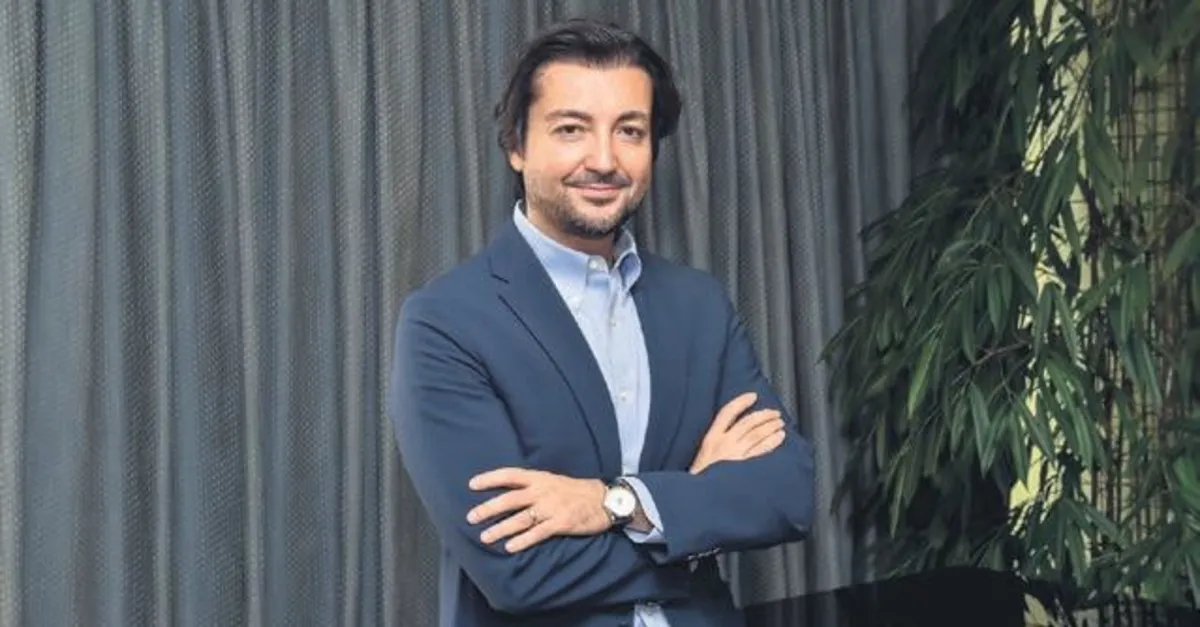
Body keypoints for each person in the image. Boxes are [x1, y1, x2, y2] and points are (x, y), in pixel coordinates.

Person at [388, 18, 816, 627]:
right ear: (516, 145)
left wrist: (613, 502)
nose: (604, 160)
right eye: (571, 129)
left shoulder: (697, 305)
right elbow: (520, 574)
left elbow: (788, 493)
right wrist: (692, 515)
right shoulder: (446, 323)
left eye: (630, 131)